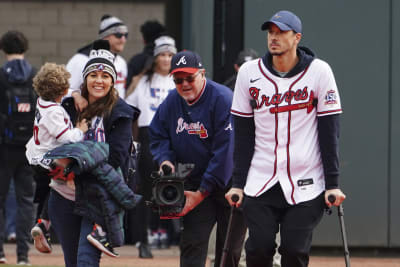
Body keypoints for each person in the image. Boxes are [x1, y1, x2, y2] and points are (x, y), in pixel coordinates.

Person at [225, 10, 346, 267]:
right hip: (261, 178)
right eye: (271, 32)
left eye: (281, 32)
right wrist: (238, 183)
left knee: (293, 250)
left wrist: (332, 183)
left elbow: (329, 132)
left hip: (307, 181)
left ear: (297, 37)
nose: (274, 37)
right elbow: (243, 135)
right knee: (259, 248)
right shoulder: (249, 73)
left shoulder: (319, 72)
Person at [46, 40, 140, 266]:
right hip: (63, 197)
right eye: (93, 75)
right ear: (85, 79)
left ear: (112, 80)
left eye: (105, 76)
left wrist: (72, 163)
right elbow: (51, 147)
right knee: (72, 262)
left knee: (86, 261)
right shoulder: (69, 107)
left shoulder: (120, 112)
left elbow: (115, 156)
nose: (99, 81)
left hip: (98, 196)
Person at [149, 50, 247, 267]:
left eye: (189, 78)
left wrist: (201, 192)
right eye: (178, 80)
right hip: (195, 181)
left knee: (229, 250)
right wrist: (165, 160)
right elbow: (157, 134)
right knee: (192, 244)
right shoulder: (173, 101)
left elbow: (225, 154)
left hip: (231, 183)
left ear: (202, 74)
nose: (184, 84)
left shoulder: (222, 99)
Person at [25, 62, 88, 254]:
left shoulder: (42, 101)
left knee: (54, 189)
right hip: (46, 160)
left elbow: (65, 95)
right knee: (72, 184)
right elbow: (66, 137)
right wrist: (80, 130)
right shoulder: (54, 112)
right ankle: (46, 224)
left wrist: (75, 94)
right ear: (61, 89)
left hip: (35, 156)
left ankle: (43, 224)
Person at [125, 35, 177, 258]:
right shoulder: (144, 82)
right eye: (162, 55)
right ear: (155, 58)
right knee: (147, 191)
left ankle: (179, 237)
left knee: (178, 188)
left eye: (170, 55)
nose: (166, 59)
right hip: (148, 136)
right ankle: (143, 241)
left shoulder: (180, 80)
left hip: (176, 136)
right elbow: (128, 108)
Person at [0, 30, 36, 266]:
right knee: (26, 201)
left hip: (4, 146)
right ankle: (23, 255)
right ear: (25, 48)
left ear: (3, 50)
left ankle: (0, 253)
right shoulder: (35, 74)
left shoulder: (1, 75)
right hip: (28, 147)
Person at [67, 14, 129, 110]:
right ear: (105, 36)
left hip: (113, 115)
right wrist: (75, 94)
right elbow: (63, 90)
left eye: (126, 35)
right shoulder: (80, 60)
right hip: (87, 115)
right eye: (118, 35)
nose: (123, 39)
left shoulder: (121, 62)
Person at [125, 20, 166, 98]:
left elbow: (127, 88)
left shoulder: (136, 61)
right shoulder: (170, 62)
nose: (165, 59)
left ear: (143, 40)